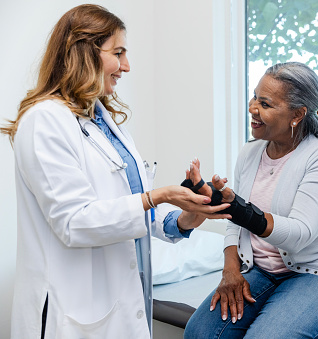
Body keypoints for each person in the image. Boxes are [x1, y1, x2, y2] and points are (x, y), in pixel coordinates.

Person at [0, 4, 229, 339]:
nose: (126, 66)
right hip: (72, 312)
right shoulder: (44, 120)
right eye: (118, 52)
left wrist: (185, 218)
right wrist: (157, 195)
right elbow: (74, 222)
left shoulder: (101, 119)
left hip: (121, 305)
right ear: (83, 52)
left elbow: (125, 206)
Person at [183, 62, 318, 338]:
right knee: (200, 334)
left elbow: (298, 234)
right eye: (255, 96)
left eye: (265, 104)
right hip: (262, 271)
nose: (252, 108)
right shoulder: (250, 152)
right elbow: (236, 224)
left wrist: (236, 207)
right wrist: (230, 270)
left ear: (298, 114)